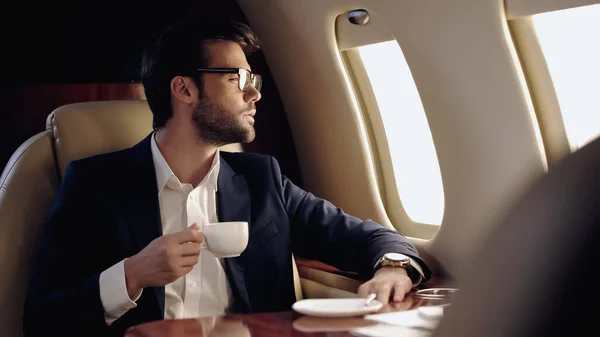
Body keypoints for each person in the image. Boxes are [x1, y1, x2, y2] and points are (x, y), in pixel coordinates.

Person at [23, 19, 431, 337]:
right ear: (184, 89)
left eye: (253, 81)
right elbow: (41, 319)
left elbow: (367, 237)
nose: (254, 94)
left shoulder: (263, 181)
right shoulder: (95, 185)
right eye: (238, 78)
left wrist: (394, 267)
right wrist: (130, 275)